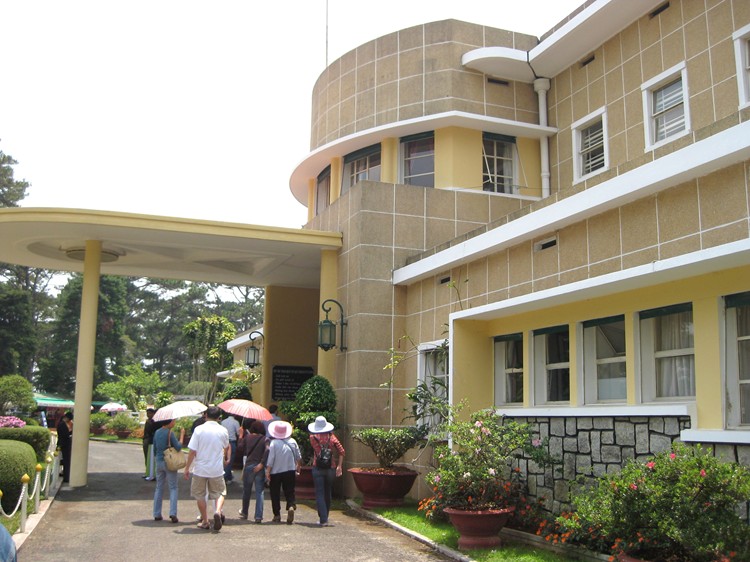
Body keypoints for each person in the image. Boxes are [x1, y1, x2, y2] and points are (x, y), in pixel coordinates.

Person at [183, 406, 230, 531]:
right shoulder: (223, 430)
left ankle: (205, 521)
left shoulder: (199, 430)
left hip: (200, 468)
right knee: (220, 492)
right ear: (219, 417)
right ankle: (218, 511)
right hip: (216, 468)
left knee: (200, 495)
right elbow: (226, 446)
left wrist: (187, 468)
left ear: (206, 415)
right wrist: (224, 457)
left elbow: (192, 451)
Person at [308, 415, 345, 527]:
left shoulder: (312, 437)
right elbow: (342, 451)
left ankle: (323, 519)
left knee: (319, 493)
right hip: (330, 467)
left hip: (318, 467)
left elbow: (316, 449)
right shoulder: (332, 437)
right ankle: (325, 517)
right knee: (327, 492)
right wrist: (339, 466)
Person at [264, 420, 301, 525]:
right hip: (290, 470)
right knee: (290, 490)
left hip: (276, 472)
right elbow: (298, 457)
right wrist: (298, 466)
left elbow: (271, 459)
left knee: (275, 493)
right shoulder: (293, 441)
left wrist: (268, 471)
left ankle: (277, 515)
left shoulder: (274, 443)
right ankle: (291, 505)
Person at [237, 420, 267, 523]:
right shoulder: (265, 439)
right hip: (259, 466)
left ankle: (245, 512)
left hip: (249, 465)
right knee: (260, 491)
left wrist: (240, 436)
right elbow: (267, 450)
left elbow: (240, 448)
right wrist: (262, 463)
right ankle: (258, 516)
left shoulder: (247, 438)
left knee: (247, 491)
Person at [152, 418, 182, 523]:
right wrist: (182, 436)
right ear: (169, 422)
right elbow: (178, 447)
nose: (174, 422)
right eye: (173, 421)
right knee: (173, 487)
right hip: (169, 462)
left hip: (159, 461)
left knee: (159, 487)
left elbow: (155, 448)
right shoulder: (170, 433)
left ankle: (156, 513)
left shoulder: (157, 432)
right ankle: (173, 513)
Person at [221, 413, 240, 483]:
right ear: (235, 415)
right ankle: (225, 477)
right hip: (231, 442)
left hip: (223, 442)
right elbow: (238, 433)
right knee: (230, 460)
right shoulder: (236, 422)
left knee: (223, 459)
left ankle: (229, 476)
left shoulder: (223, 422)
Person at [56, 411, 73, 483]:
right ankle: (66, 476)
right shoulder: (62, 425)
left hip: (62, 443)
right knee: (66, 461)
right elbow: (65, 435)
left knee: (65, 460)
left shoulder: (61, 424)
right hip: (64, 444)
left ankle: (64, 474)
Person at [142, 407, 157, 480]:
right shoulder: (148, 421)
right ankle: (147, 471)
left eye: (150, 413)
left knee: (151, 457)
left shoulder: (154, 422)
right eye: (147, 413)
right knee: (146, 457)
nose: (148, 415)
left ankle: (152, 472)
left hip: (151, 441)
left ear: (153, 413)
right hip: (146, 440)